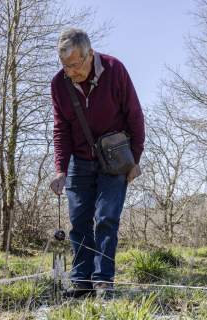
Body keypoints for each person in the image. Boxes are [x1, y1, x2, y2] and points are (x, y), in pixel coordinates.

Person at [49, 28, 145, 298]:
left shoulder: (115, 70)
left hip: (114, 159)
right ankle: (81, 282)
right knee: (79, 221)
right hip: (79, 161)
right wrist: (60, 169)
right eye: (65, 66)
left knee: (106, 219)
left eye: (75, 65)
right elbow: (61, 130)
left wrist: (134, 159)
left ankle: (103, 282)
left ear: (90, 54)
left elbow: (135, 116)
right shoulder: (59, 84)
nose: (70, 72)